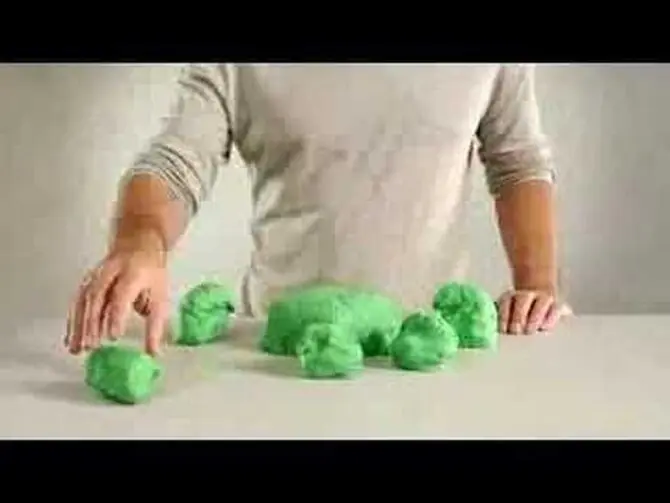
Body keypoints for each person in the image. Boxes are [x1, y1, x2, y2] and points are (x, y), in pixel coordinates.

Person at [65, 63, 572, 356]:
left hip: (433, 350)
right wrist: (139, 242)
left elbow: (518, 162)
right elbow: (176, 162)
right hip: (282, 357)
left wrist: (538, 286)